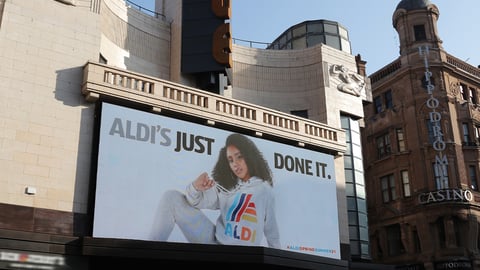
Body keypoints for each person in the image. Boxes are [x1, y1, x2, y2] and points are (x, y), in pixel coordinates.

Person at [150, 133, 281, 248]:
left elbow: (272, 231)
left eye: (239, 156)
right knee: (171, 197)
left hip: (244, 257)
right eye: (230, 160)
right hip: (215, 245)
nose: (235, 164)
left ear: (249, 156)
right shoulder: (226, 186)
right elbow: (196, 202)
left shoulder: (264, 191)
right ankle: (148, 253)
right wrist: (196, 187)